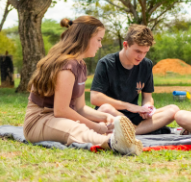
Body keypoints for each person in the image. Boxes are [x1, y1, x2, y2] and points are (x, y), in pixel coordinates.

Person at [23, 16, 142, 156]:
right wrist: (97, 127)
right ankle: (112, 142)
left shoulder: (80, 65)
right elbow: (61, 111)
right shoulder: (67, 66)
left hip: (58, 118)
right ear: (85, 38)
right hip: (39, 120)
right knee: (75, 128)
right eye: (98, 39)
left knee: (82, 125)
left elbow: (80, 108)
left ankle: (117, 139)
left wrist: (104, 117)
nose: (100, 45)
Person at [90, 25, 179, 134]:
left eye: (145, 52)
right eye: (138, 51)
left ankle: (131, 131)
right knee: (105, 108)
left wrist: (147, 107)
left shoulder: (146, 65)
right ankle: (140, 130)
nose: (141, 56)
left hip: (135, 116)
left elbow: (147, 97)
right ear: (125, 45)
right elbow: (95, 98)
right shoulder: (106, 63)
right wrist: (129, 106)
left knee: (173, 109)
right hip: (113, 114)